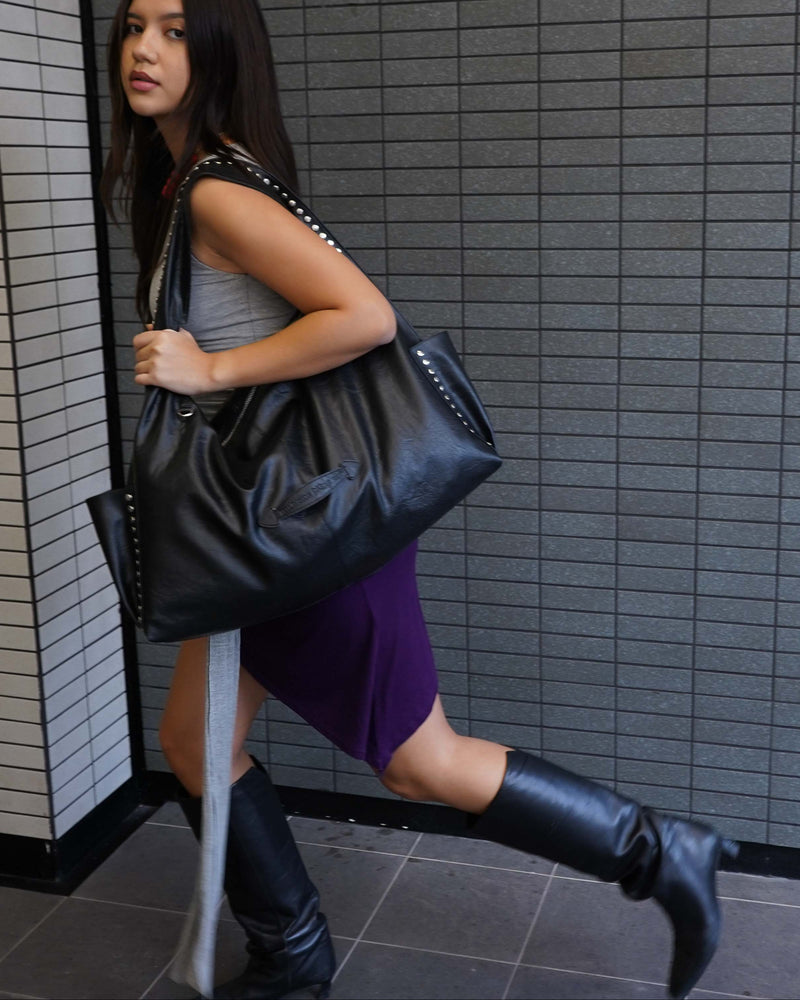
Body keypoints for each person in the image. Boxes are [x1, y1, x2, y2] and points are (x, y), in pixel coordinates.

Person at [101, 2, 738, 999]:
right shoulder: (185, 185)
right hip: (263, 534)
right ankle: (292, 952)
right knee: (193, 739)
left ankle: (660, 853)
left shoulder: (221, 191)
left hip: (310, 540)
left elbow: (363, 316)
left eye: (177, 29)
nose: (143, 48)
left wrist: (210, 369)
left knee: (420, 761)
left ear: (223, 47)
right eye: (135, 24)